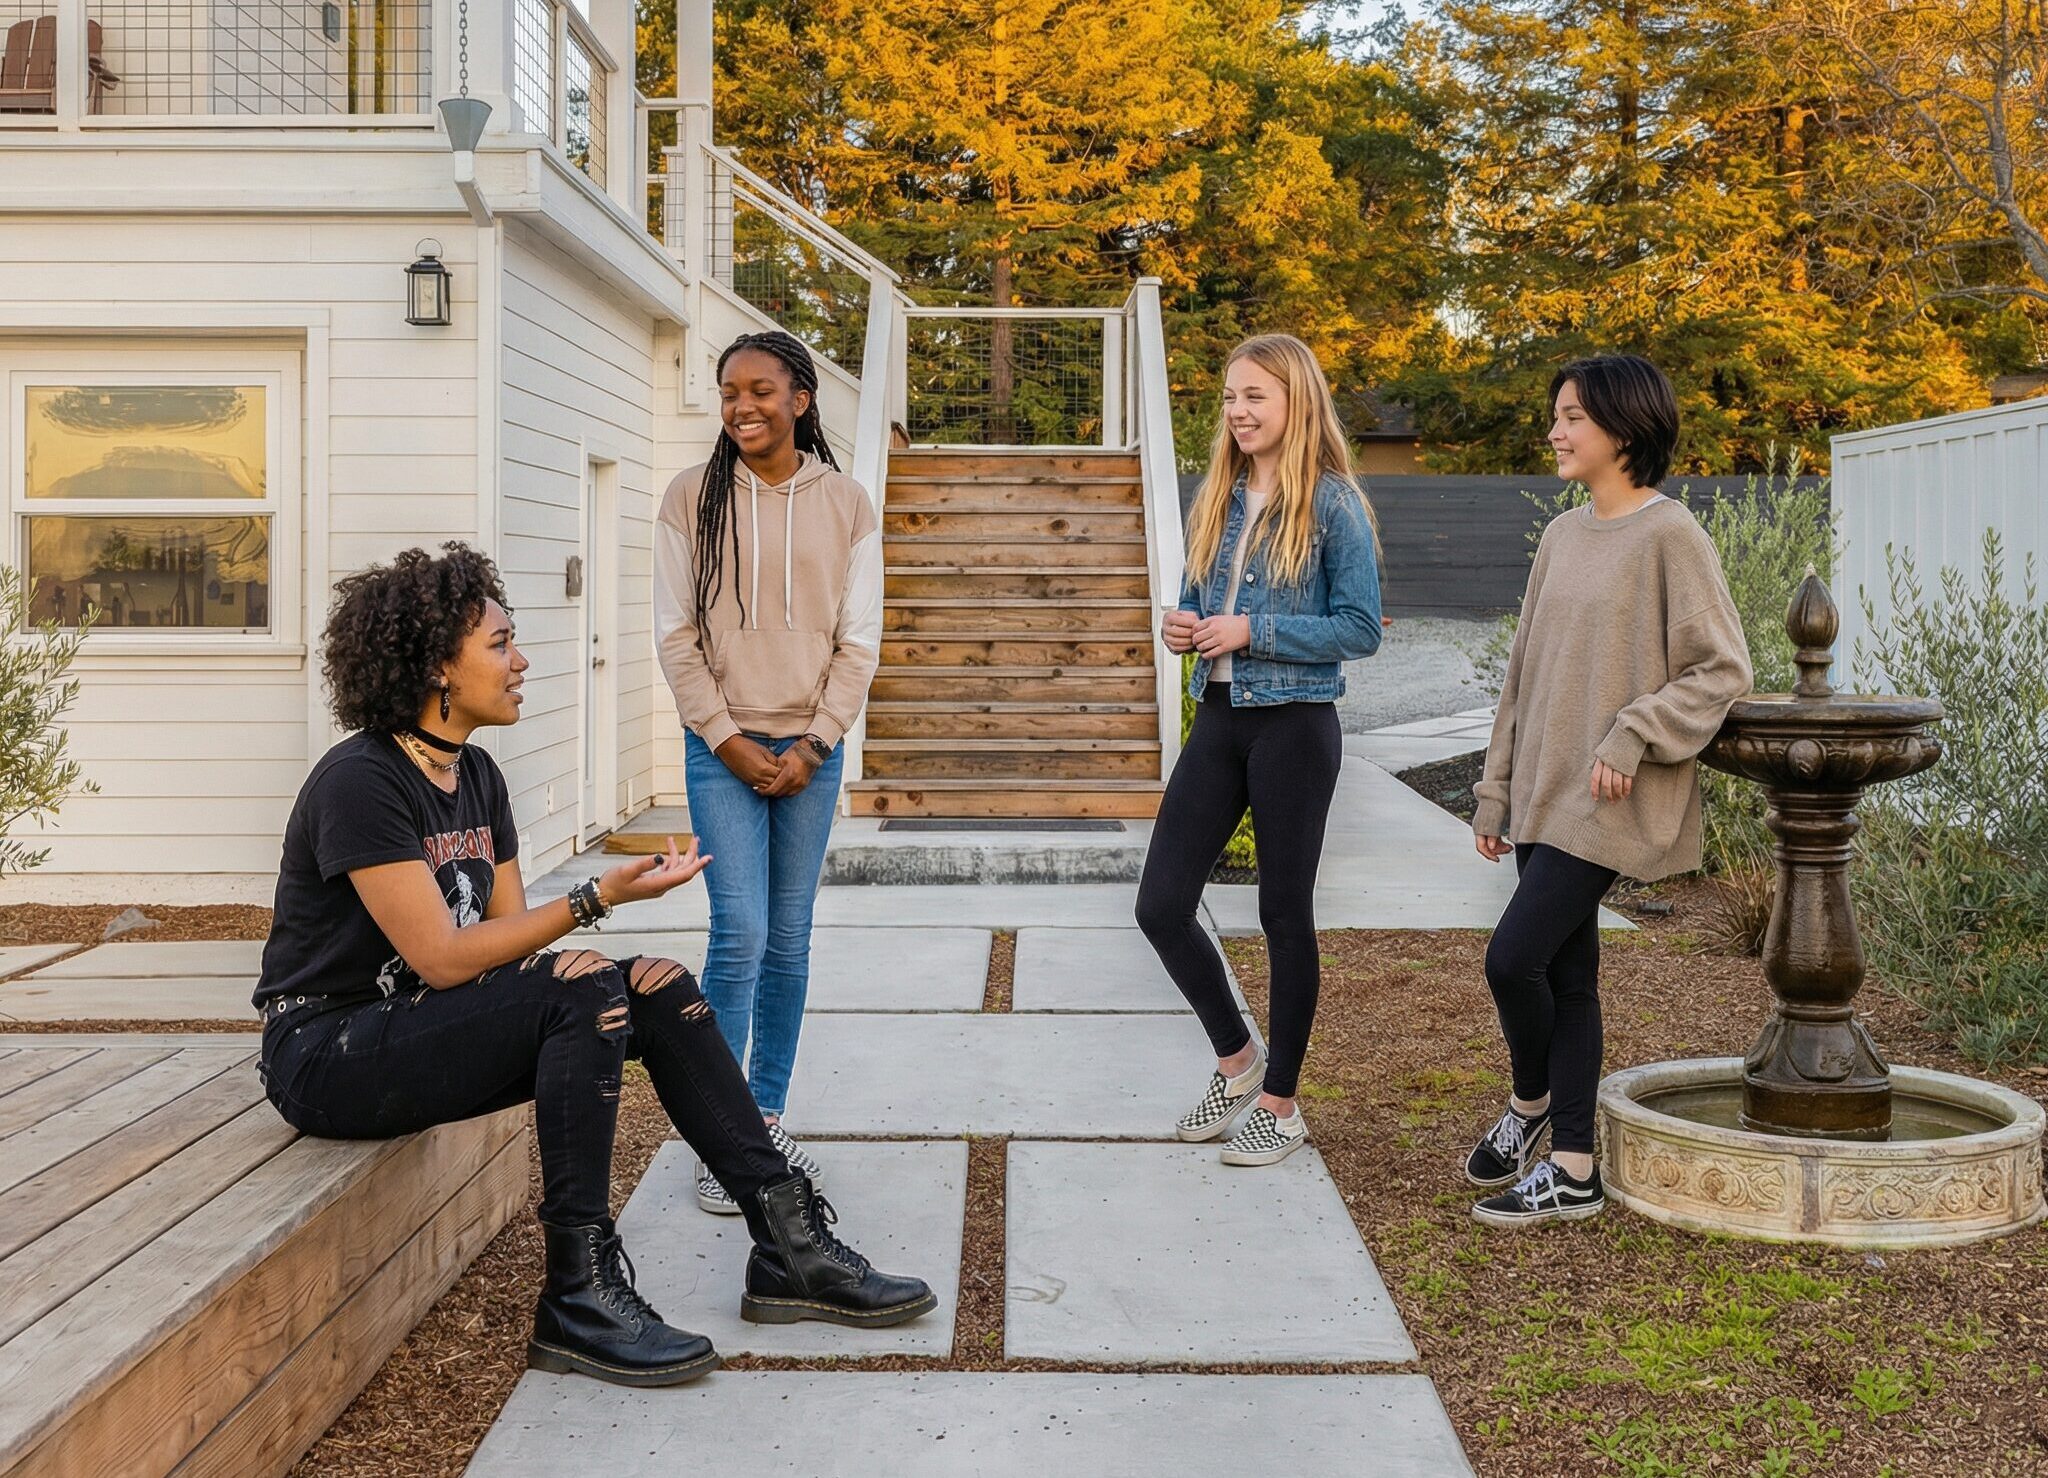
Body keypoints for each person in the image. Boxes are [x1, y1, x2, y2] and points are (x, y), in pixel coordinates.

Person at [255, 544, 932, 1390]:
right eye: (500, 644)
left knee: (656, 985)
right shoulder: (361, 780)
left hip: (419, 1025)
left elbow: (511, 947)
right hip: (326, 1050)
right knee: (584, 985)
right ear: (437, 664)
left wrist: (611, 905)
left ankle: (788, 1242)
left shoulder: (477, 777)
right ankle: (578, 1291)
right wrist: (594, 900)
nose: (521, 661)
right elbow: (440, 955)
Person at [1466, 355, 1751, 1227]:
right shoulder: (1561, 535)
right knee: (1571, 974)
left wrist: (1634, 730)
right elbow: (1523, 674)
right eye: (1557, 415)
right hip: (1545, 791)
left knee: (1511, 960)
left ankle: (1530, 1107)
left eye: (1572, 417)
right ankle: (1575, 1170)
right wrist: (1495, 790)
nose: (1556, 431)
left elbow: (1723, 668)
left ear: (1623, 430)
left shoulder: (1672, 537)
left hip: (1609, 795)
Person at [1136, 334, 1383, 1168]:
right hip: (1220, 716)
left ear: (1296, 403)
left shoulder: (1335, 503)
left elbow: (1360, 628)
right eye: (1232, 398)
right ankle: (1237, 1062)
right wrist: (1182, 625)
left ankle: (1281, 1104)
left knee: (1283, 915)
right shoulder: (1221, 495)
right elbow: (1195, 599)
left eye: (1256, 397)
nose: (1239, 412)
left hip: (1296, 728)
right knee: (1160, 905)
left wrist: (1255, 630)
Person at [653, 330, 883, 1214]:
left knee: (789, 938)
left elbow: (858, 641)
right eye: (728, 392)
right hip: (721, 751)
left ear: (801, 399)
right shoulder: (690, 498)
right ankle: (724, 1128)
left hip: (810, 754)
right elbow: (676, 634)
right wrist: (724, 737)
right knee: (739, 933)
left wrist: (817, 743)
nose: (741, 406)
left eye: (759, 390)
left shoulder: (848, 504)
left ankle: (767, 1115)